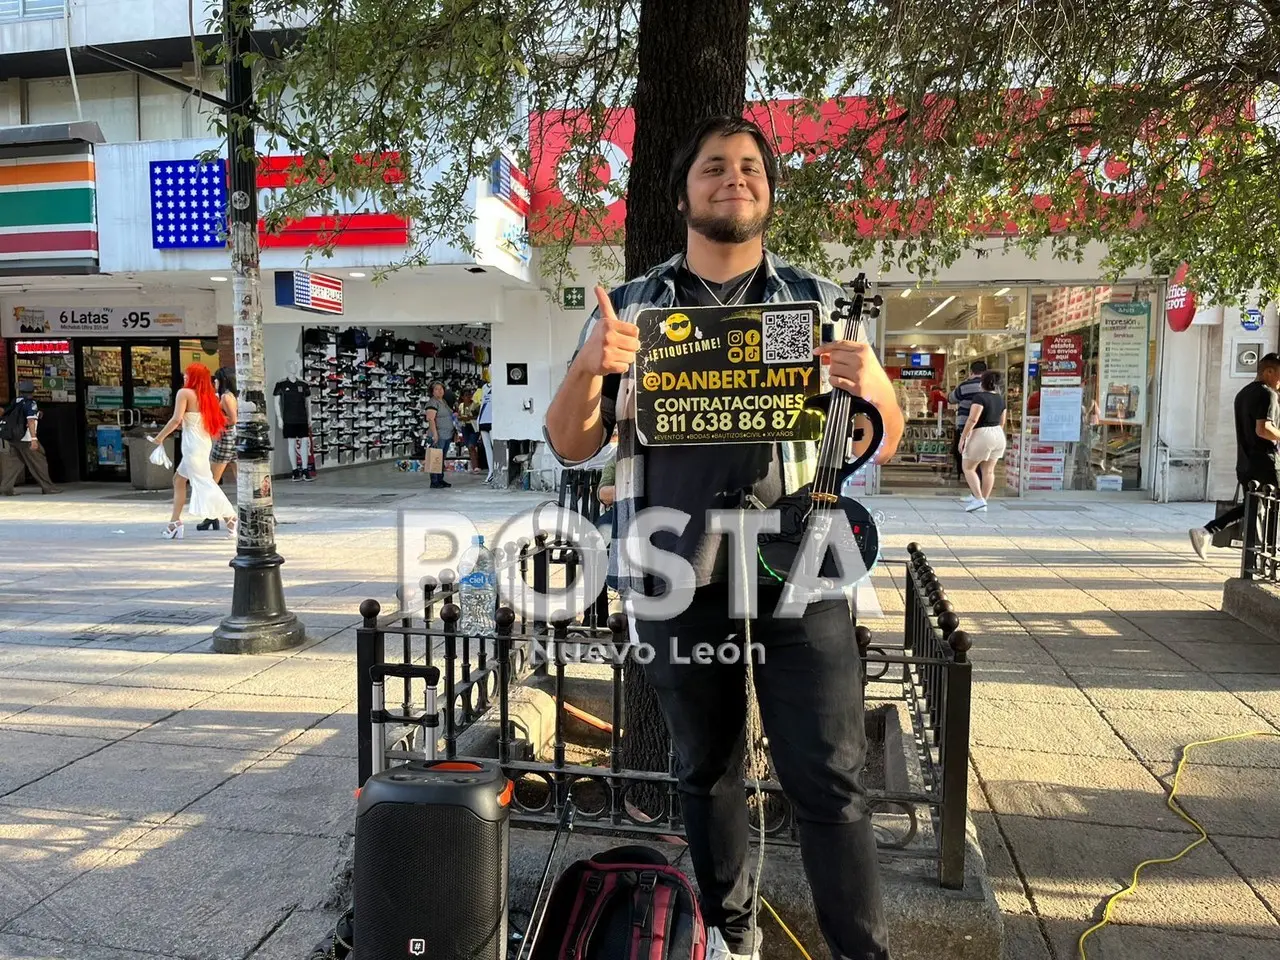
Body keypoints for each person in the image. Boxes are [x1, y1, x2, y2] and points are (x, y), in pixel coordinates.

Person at [544, 116, 902, 960]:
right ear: (682, 194)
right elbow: (569, 443)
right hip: (674, 571)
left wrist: (877, 386)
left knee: (830, 777)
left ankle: (861, 951)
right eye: (713, 167)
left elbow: (878, 439)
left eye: (749, 168)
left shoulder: (812, 305)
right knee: (705, 772)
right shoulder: (631, 309)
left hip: (800, 569)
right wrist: (591, 366)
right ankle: (729, 939)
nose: (732, 179)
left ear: (769, 193)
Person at [1190, 352, 1280, 559]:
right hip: (1266, 461)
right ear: (1268, 372)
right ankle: (1267, 553)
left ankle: (1207, 532)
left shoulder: (1243, 393)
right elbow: (1263, 429)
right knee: (1269, 506)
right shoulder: (1267, 394)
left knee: (1252, 506)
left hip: (1246, 462)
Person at [150, 363, 237, 540]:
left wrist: (159, 437)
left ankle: (230, 518)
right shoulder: (208, 397)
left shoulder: (184, 393)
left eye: (187, 375)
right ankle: (174, 522)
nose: (184, 377)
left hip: (192, 445)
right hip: (202, 443)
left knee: (205, 483)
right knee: (179, 479)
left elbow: (176, 420)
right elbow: (220, 419)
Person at [957, 370, 1008, 512]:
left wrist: (963, 437)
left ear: (982, 383)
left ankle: (979, 499)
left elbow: (973, 419)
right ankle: (983, 500)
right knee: (989, 471)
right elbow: (1002, 421)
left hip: (981, 433)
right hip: (998, 433)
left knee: (968, 467)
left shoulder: (979, 398)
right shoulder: (1000, 399)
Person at [0, 381, 62, 496]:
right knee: (39, 462)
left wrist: (37, 413)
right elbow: (30, 420)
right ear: (31, 391)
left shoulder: (16, 401)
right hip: (26, 438)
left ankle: (5, 488)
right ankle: (48, 487)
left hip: (13, 438)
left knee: (14, 463)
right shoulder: (31, 403)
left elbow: (7, 413)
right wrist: (33, 439)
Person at [197, 367, 239, 532]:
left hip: (225, 439)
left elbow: (232, 419)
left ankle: (212, 515)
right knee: (240, 479)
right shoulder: (231, 396)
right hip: (232, 439)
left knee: (211, 481)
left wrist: (214, 416)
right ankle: (212, 515)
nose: (214, 382)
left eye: (216, 380)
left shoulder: (225, 397)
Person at [948, 360, 987, 482]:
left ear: (971, 371)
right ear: (985, 372)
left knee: (966, 454)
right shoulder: (991, 385)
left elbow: (951, 399)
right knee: (982, 455)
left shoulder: (964, 385)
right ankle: (980, 480)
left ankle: (968, 478)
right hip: (986, 425)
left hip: (966, 424)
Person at [424, 381, 455, 489]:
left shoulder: (443, 402)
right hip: (438, 434)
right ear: (432, 391)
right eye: (436, 389)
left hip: (447, 434)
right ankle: (434, 481)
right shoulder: (432, 403)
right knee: (435, 457)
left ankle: (440, 479)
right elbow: (431, 419)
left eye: (441, 388)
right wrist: (435, 435)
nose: (439, 391)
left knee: (441, 458)